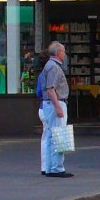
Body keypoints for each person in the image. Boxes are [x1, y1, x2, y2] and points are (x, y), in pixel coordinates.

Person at [39, 41, 73, 177]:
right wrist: (58, 106)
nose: (65, 54)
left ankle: (49, 168)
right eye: (63, 51)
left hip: (50, 104)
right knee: (58, 136)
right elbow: (51, 89)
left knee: (50, 137)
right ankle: (57, 168)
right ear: (59, 53)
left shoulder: (49, 65)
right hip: (56, 103)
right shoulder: (54, 67)